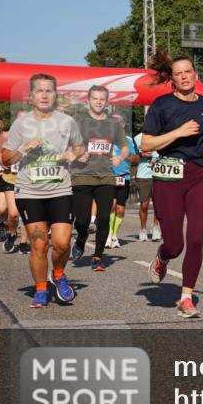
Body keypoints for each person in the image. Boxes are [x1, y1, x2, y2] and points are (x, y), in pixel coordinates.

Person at [140, 52, 203, 319]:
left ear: (195, 75)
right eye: (179, 73)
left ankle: (186, 297)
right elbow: (146, 145)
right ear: (173, 80)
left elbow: (196, 137)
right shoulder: (161, 105)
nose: (184, 76)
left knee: (197, 238)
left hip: (198, 174)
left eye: (188, 71)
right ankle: (163, 257)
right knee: (175, 245)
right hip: (168, 177)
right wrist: (177, 132)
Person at [1, 74, 85, 308]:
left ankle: (58, 274)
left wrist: (74, 153)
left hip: (60, 189)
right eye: (40, 91)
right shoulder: (21, 124)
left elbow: (80, 146)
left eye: (49, 91)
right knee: (39, 244)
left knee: (62, 243)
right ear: (31, 96)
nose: (45, 95)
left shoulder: (67, 122)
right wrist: (23, 147)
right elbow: (6, 159)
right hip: (30, 192)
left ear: (55, 95)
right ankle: (40, 289)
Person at [70, 86, 129, 272]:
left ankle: (97, 256)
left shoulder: (114, 124)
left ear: (107, 102)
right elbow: (66, 144)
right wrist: (77, 155)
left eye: (102, 99)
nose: (98, 102)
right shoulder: (78, 120)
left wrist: (120, 157)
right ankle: (81, 238)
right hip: (82, 175)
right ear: (88, 100)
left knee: (104, 217)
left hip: (106, 176)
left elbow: (124, 146)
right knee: (82, 221)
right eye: (95, 98)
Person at [0, 118, 28, 254]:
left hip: (28, 179)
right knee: (13, 214)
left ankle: (23, 242)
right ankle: (13, 233)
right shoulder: (6, 135)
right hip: (10, 178)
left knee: (26, 213)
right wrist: (2, 162)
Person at [107, 115, 136, 249]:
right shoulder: (106, 139)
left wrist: (127, 155)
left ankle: (114, 235)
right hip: (109, 177)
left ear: (123, 125)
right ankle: (108, 235)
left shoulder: (129, 140)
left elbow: (137, 159)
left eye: (119, 122)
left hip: (124, 177)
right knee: (111, 206)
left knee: (120, 209)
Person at [132, 130, 161, 242]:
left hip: (159, 174)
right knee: (144, 205)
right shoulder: (139, 137)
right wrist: (141, 154)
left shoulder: (163, 135)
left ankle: (155, 227)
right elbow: (132, 156)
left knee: (159, 204)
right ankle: (143, 229)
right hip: (143, 175)